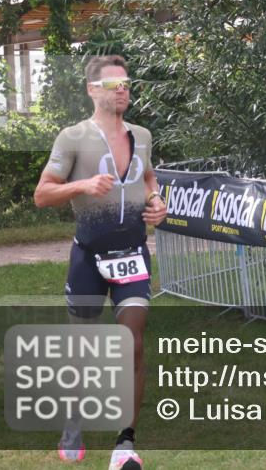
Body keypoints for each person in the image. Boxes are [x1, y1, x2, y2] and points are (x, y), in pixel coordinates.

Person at [34, 55, 167, 470]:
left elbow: (148, 178)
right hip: (89, 257)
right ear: (93, 91)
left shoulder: (141, 135)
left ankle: (125, 443)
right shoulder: (73, 138)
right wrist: (83, 184)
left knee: (133, 344)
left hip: (132, 255)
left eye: (126, 84)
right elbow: (42, 194)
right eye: (114, 85)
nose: (123, 90)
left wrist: (157, 201)